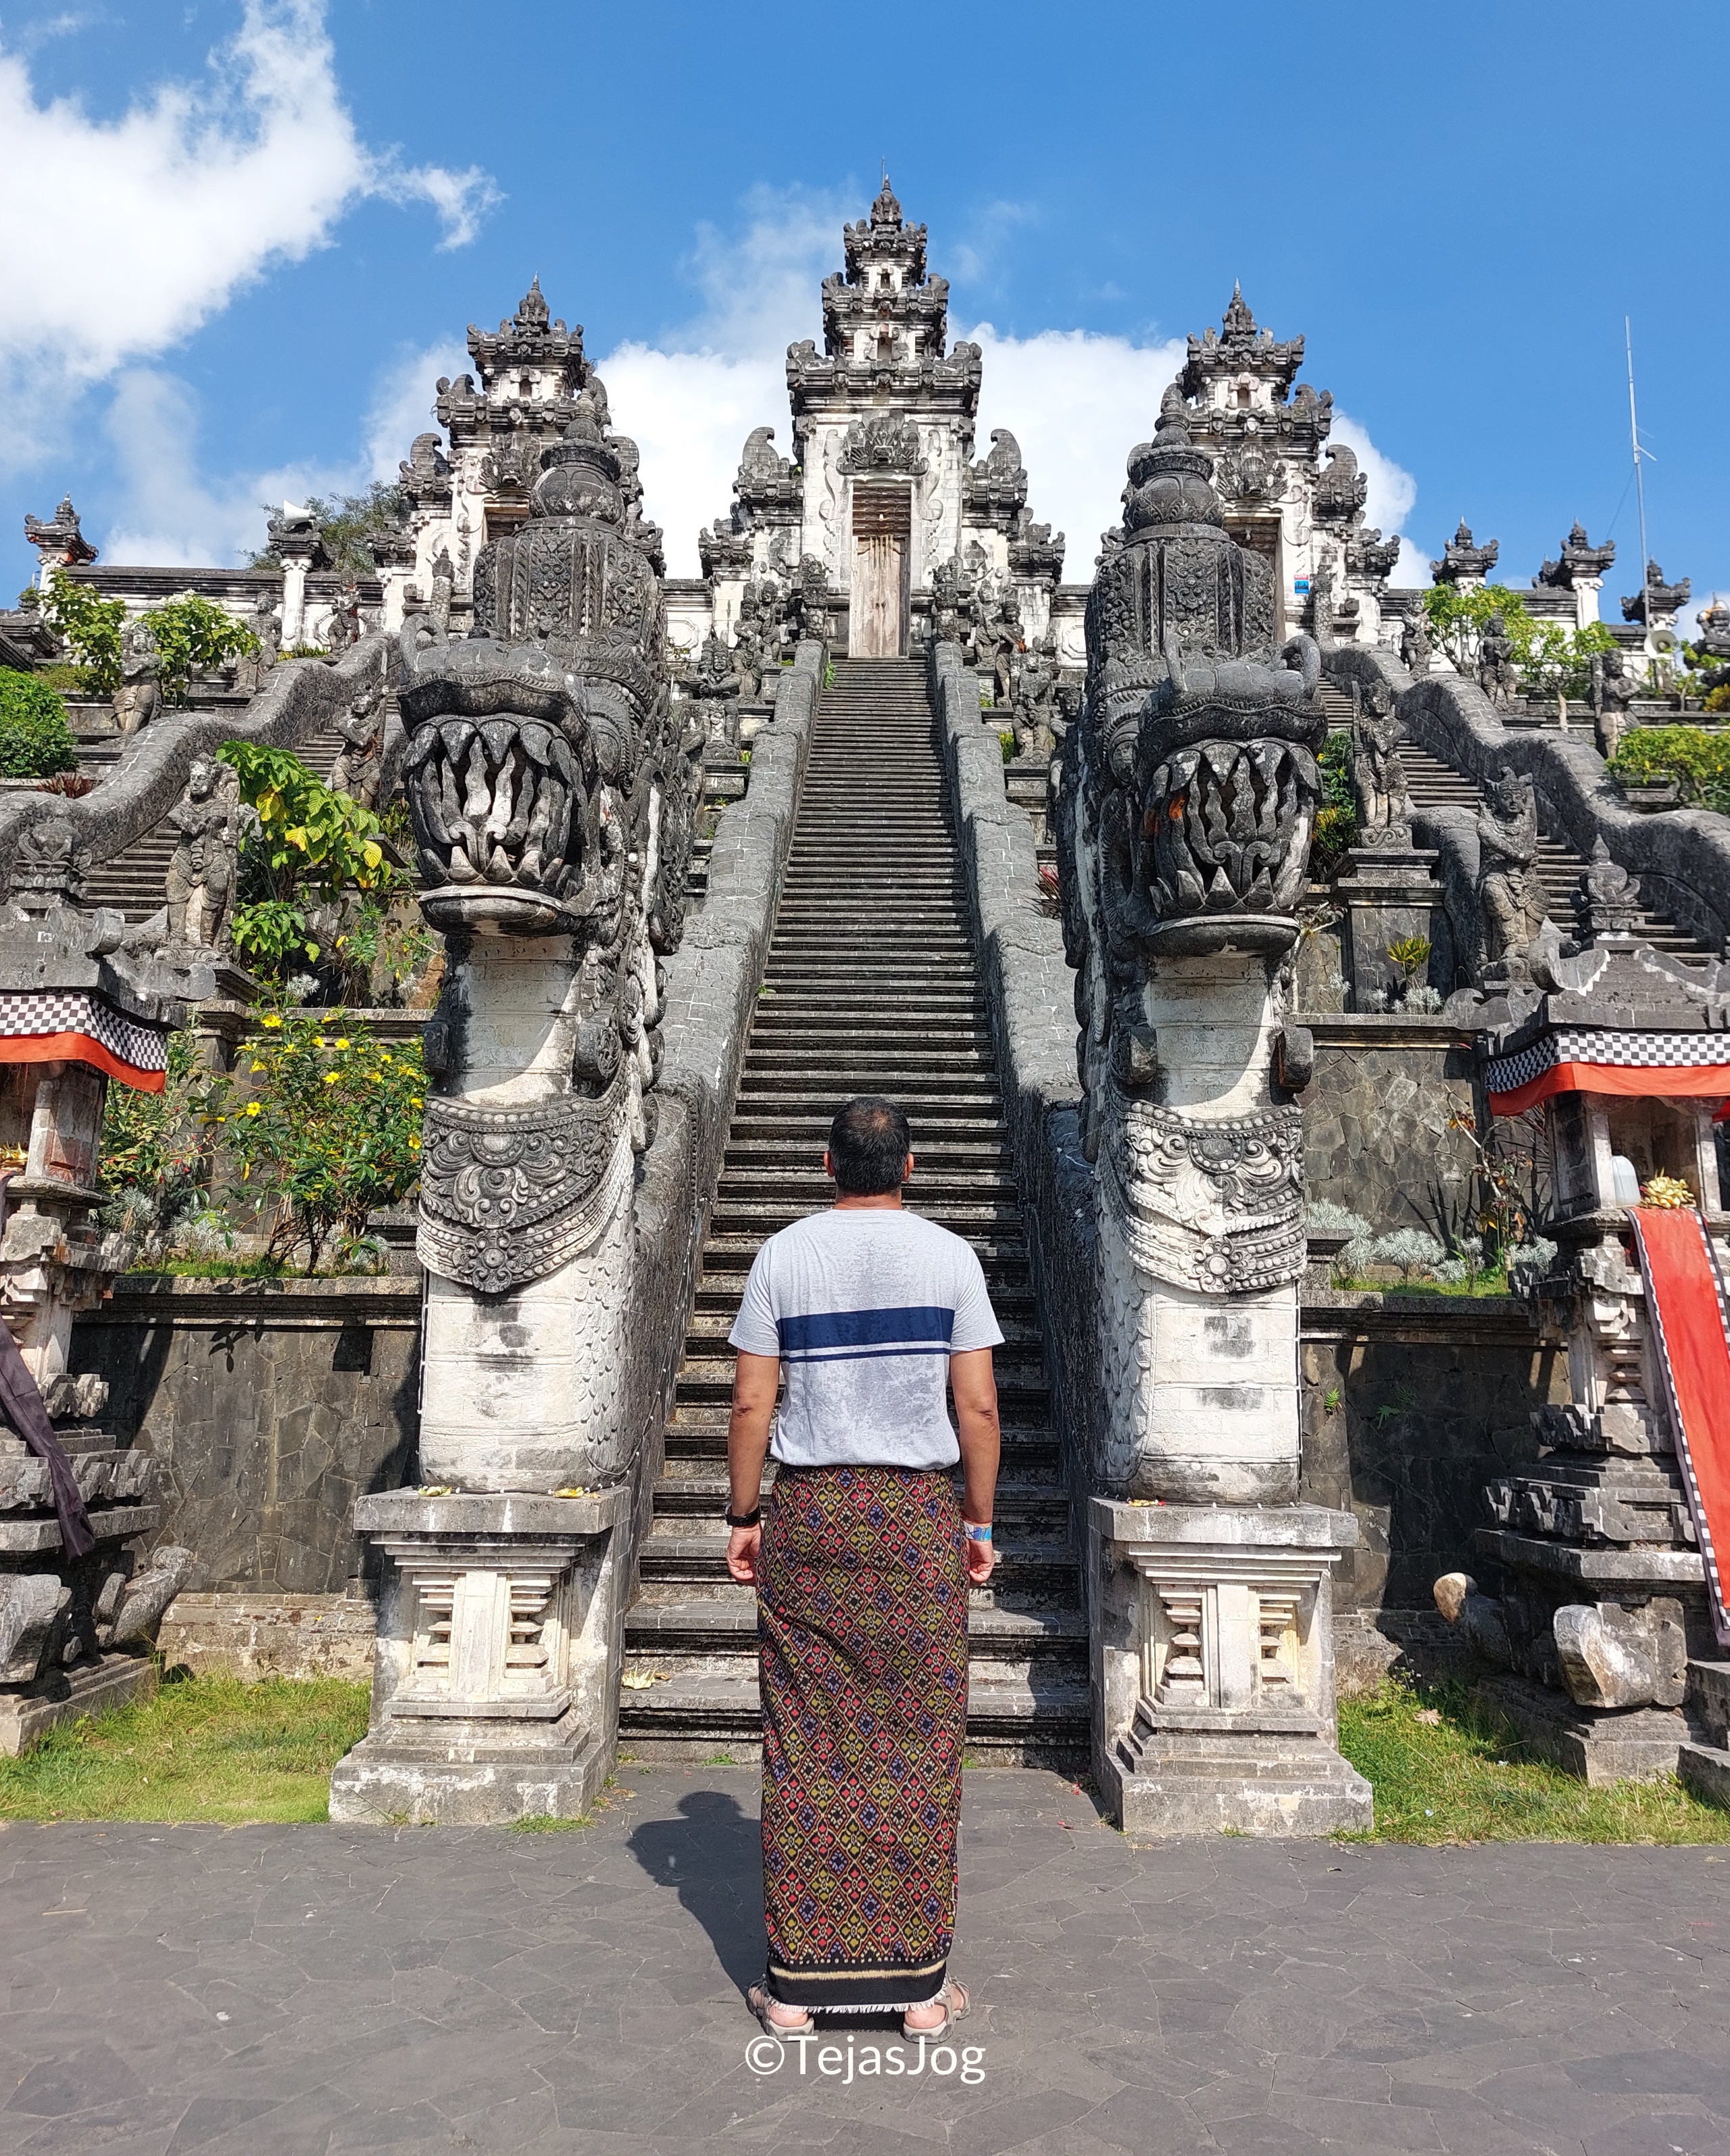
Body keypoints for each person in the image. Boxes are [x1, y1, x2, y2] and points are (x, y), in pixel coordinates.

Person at [725, 1096, 1002, 2042]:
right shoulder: (951, 1258)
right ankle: (919, 1992)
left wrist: (745, 1514)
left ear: (827, 1163)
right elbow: (978, 1409)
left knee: (805, 1736)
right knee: (918, 1739)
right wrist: (978, 1520)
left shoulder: (782, 1256)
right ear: (910, 1166)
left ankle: (795, 1994)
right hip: (916, 1519)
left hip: (812, 1512)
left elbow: (751, 1404)